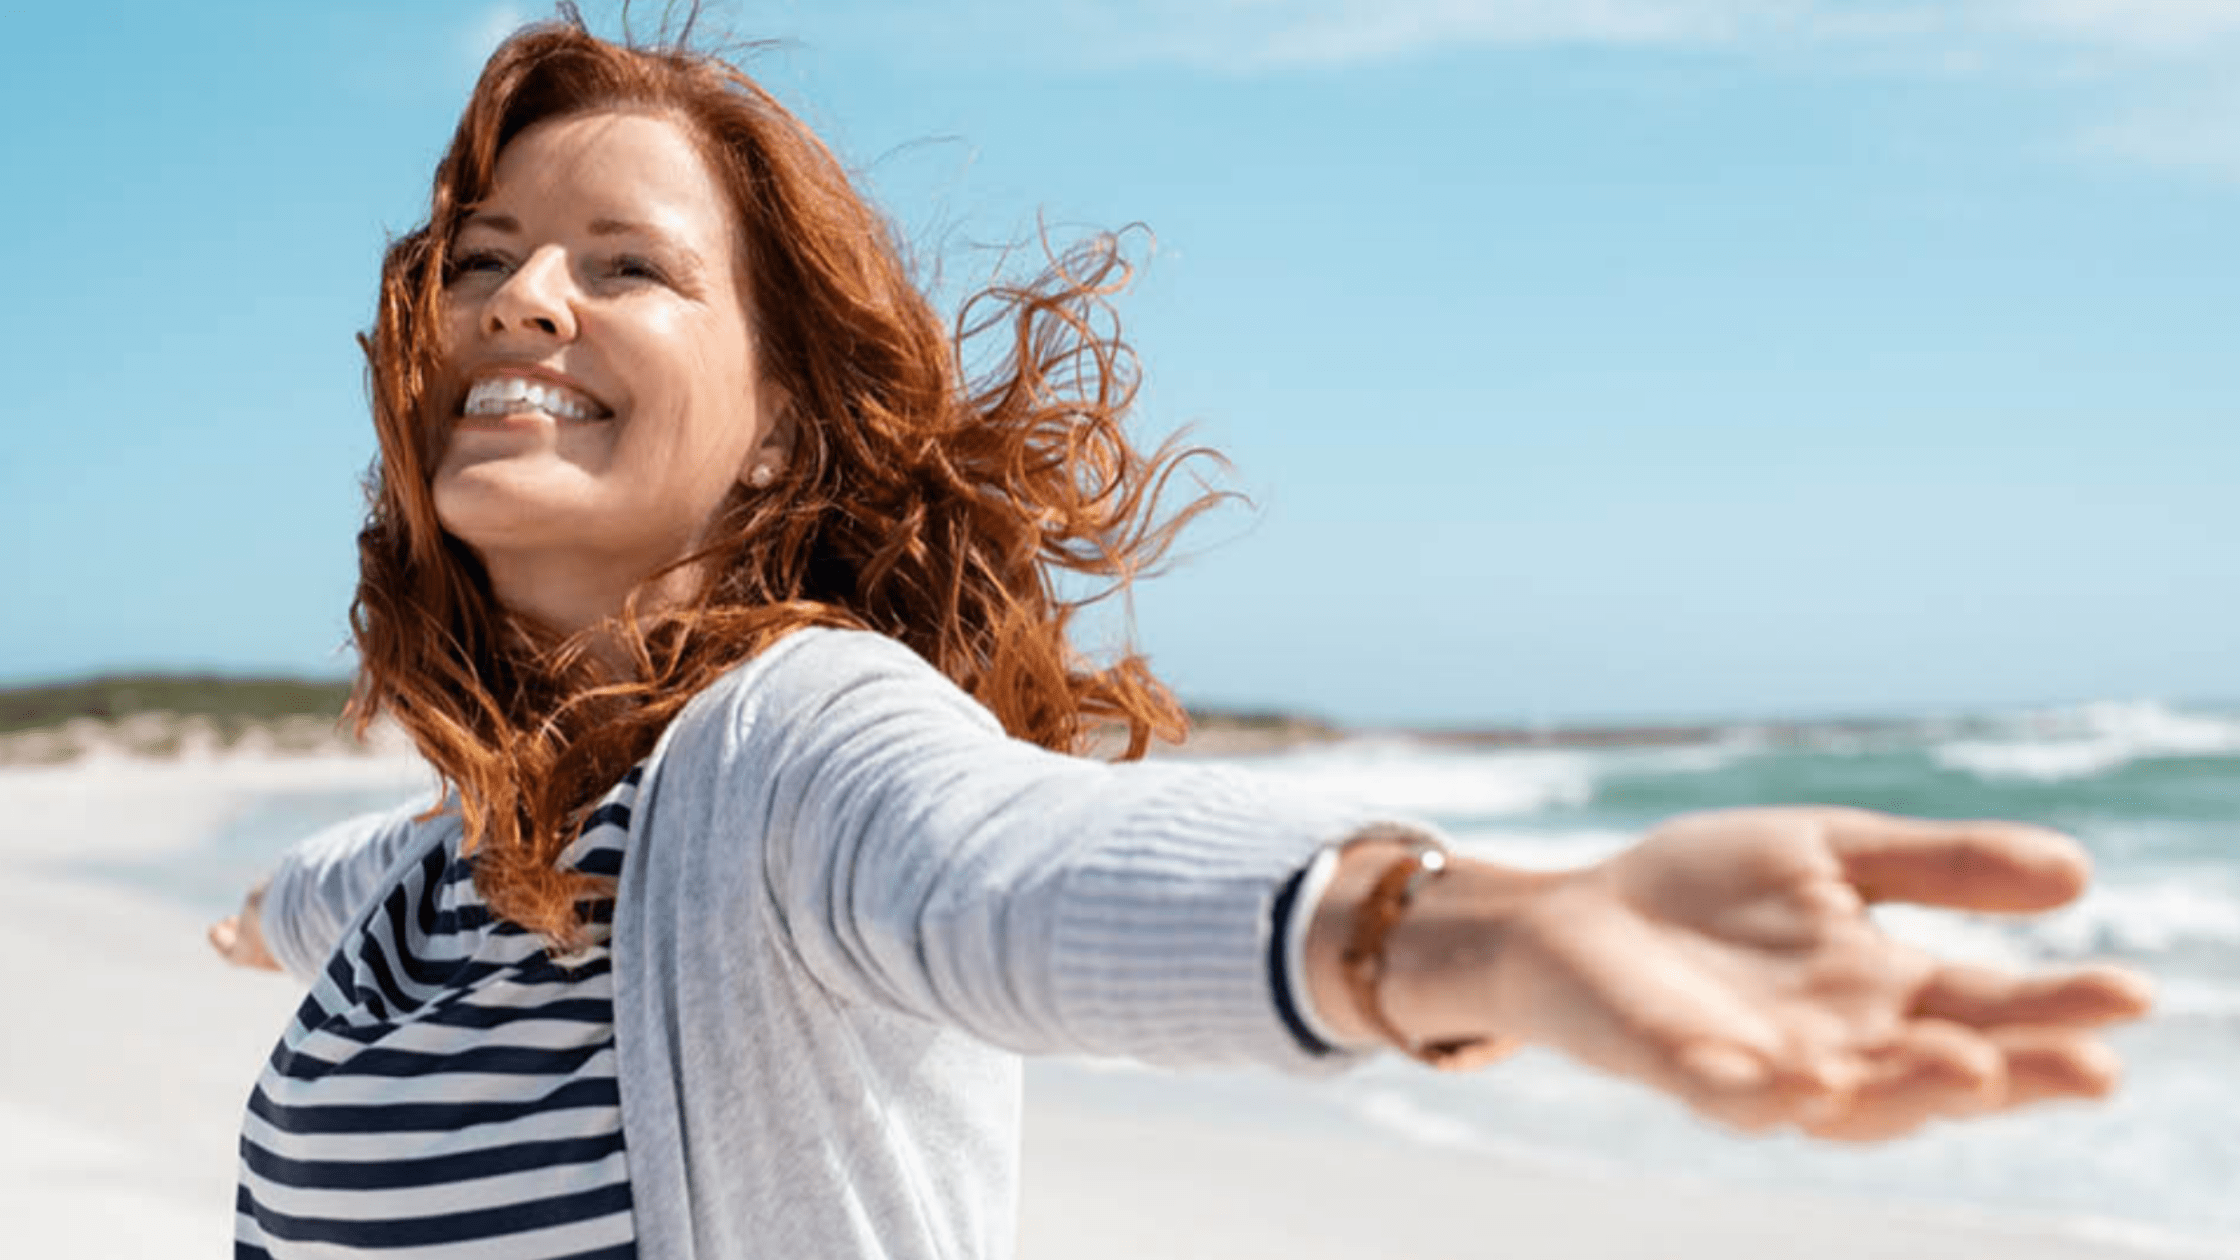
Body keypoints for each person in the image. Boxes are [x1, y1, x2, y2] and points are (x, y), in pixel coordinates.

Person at [206, 12, 2152, 1260]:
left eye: (624, 264)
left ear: (788, 416)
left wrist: (1456, 932)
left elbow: (1014, 866)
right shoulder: (452, 860)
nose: (526, 301)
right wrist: (254, 909)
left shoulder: (785, 759)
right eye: (484, 265)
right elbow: (337, 877)